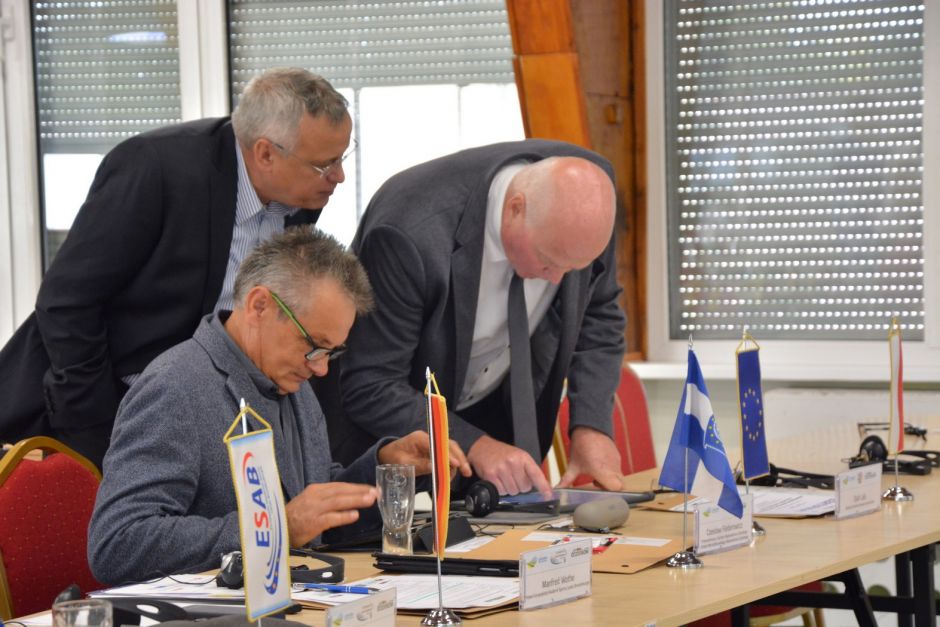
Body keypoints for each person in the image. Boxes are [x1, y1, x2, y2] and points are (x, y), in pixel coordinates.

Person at [0, 68, 355, 468]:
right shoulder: (157, 169)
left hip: (208, 413)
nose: (339, 176)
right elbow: (67, 302)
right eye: (325, 164)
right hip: (105, 407)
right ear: (266, 154)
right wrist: (96, 435)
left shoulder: (301, 193)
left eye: (342, 157)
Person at [87, 226, 470, 584]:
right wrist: (271, 528)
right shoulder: (174, 387)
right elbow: (118, 543)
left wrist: (386, 468)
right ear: (259, 306)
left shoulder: (290, 379)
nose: (321, 368)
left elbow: (309, 511)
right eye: (314, 346)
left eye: (332, 353)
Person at [332, 140, 626, 498]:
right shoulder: (410, 233)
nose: (556, 281)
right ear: (515, 208)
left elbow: (599, 315)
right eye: (548, 260)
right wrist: (475, 444)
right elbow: (371, 382)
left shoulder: (587, 201)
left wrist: (592, 428)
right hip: (394, 442)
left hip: (498, 424)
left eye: (574, 268)